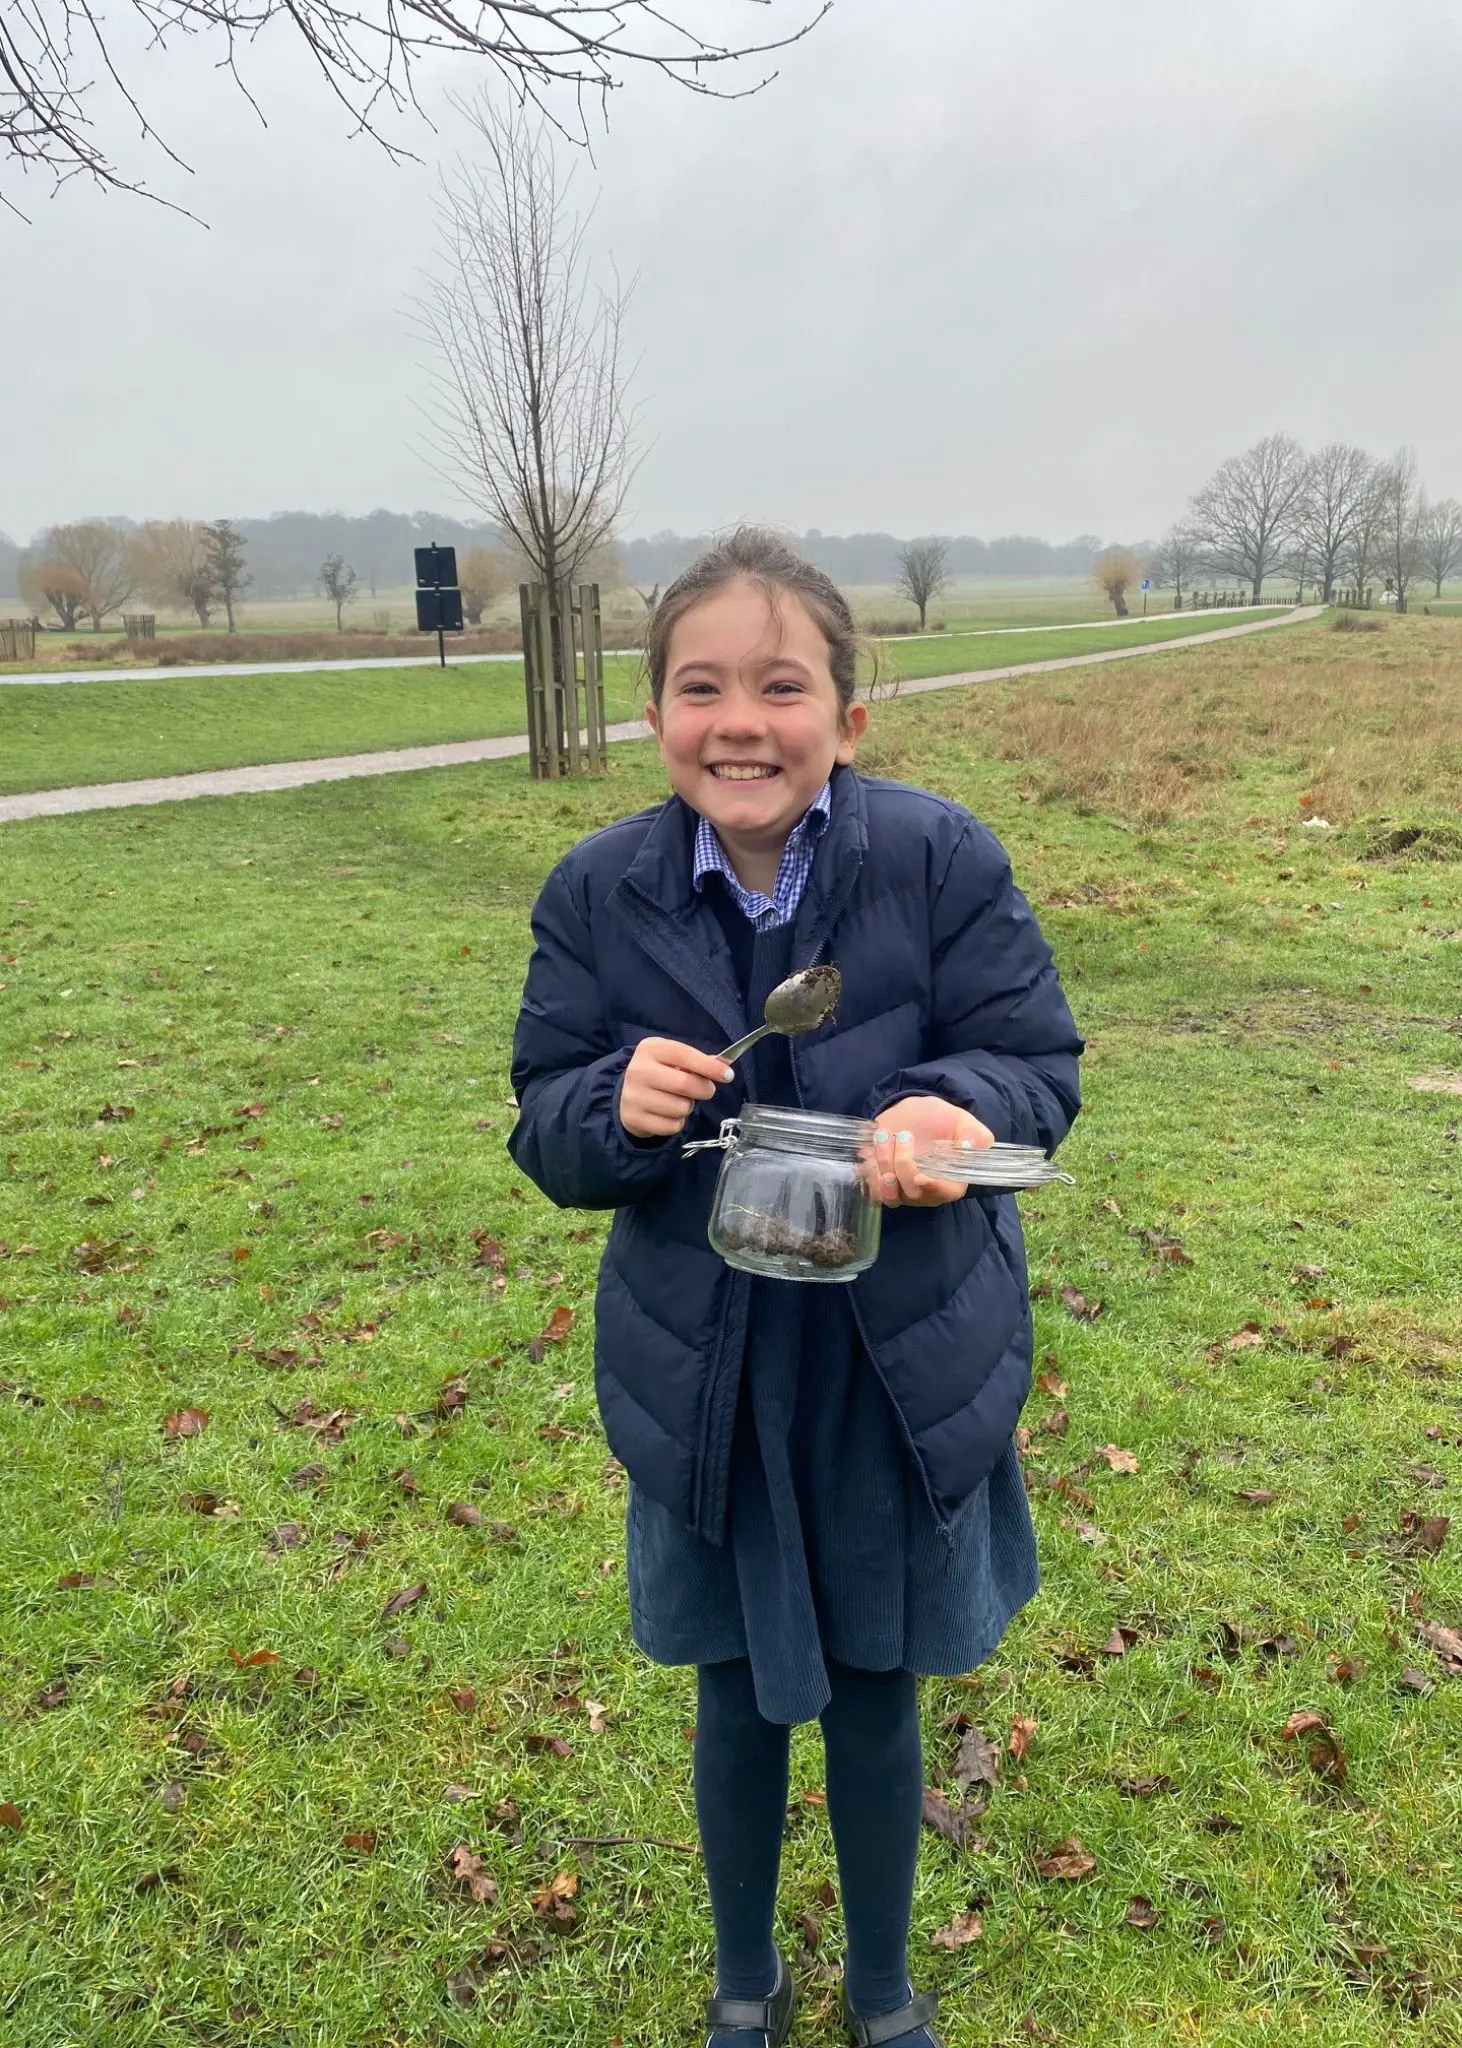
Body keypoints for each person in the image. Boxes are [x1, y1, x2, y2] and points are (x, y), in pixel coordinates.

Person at [509, 529, 1083, 2048]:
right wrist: (603, 1112)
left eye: (780, 685)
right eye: (700, 688)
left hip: (894, 1357)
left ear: (847, 713)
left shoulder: (935, 858)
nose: (740, 722)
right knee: (733, 1682)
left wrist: (954, 1113)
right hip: (707, 1365)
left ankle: (885, 1988)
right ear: (654, 716)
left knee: (877, 1679)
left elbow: (1038, 1066)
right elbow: (540, 1116)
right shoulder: (598, 889)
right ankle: (744, 1979)